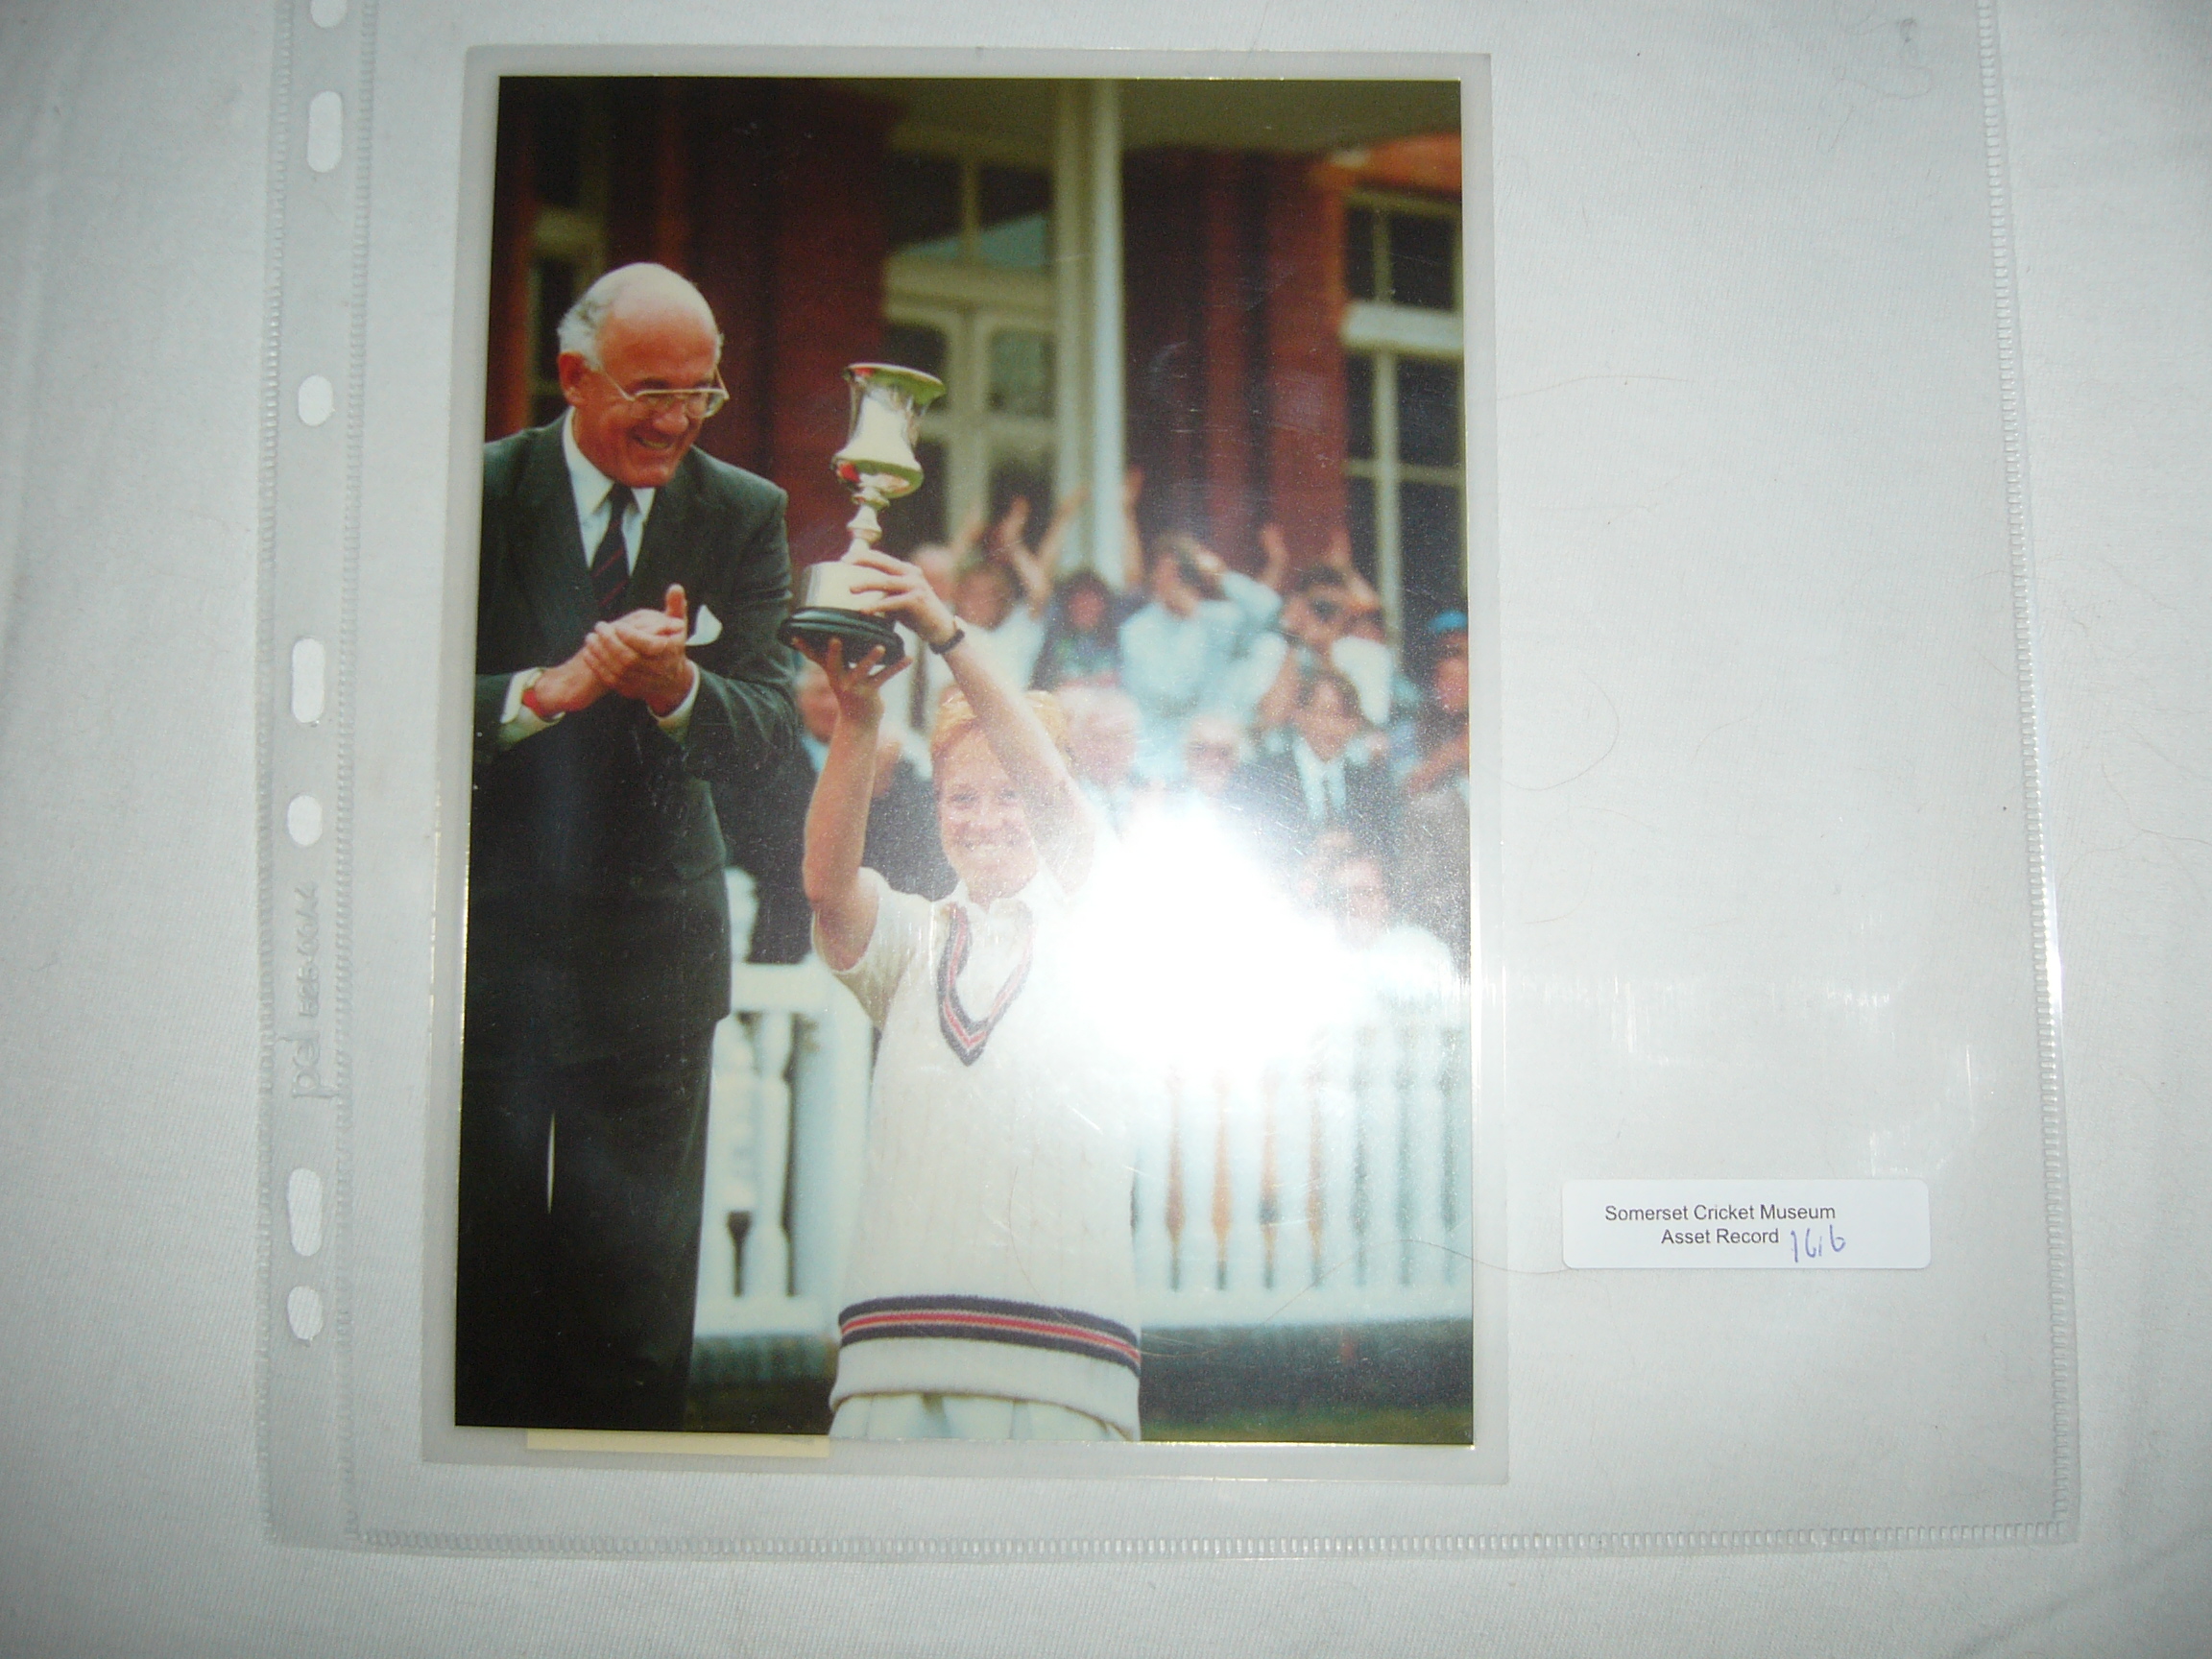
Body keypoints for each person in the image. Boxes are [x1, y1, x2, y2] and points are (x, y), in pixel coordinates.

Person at [456, 263, 798, 1431]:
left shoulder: (743, 511)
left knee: (635, 1320)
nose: (677, 421)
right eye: (652, 391)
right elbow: (390, 698)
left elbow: (770, 733)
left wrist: (678, 689)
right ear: (572, 376)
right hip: (489, 954)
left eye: (702, 394)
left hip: (654, 959)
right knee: (478, 1300)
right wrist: (538, 694)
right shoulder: (480, 491)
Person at [799, 547, 1141, 1443]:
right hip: (893, 1348)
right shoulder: (914, 936)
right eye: (961, 798)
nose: (985, 819)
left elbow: (1055, 792)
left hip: (1063, 1364)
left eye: (1008, 795)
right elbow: (828, 889)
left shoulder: (1101, 914)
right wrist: (858, 720)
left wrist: (947, 635)